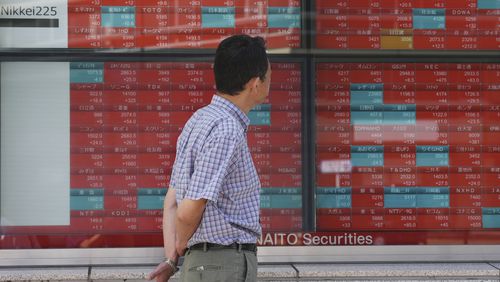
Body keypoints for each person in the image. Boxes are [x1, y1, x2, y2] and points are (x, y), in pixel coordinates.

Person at [148, 34, 271, 282]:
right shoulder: (227, 129)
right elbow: (188, 209)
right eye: (269, 76)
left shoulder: (198, 120)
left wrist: (172, 260)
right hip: (223, 265)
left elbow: (171, 200)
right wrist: (181, 243)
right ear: (255, 83)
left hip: (207, 266)